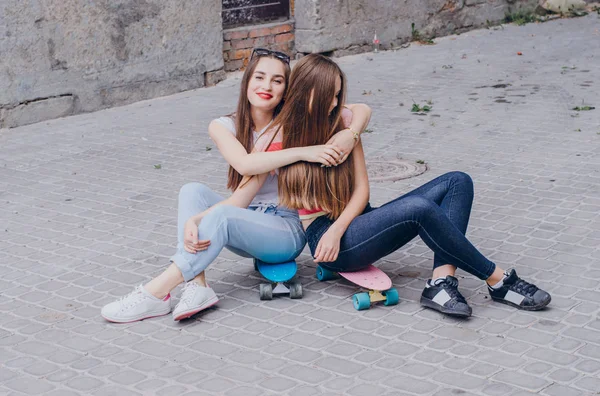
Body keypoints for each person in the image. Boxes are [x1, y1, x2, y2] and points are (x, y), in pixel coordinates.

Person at [101, 48, 371, 322]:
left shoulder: (293, 122)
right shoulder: (225, 126)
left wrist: (351, 134)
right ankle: (197, 284)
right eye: (259, 77)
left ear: (289, 90)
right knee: (191, 190)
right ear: (246, 82)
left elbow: (359, 109)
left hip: (284, 228)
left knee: (221, 215)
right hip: (246, 217)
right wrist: (195, 219)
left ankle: (155, 292)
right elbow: (245, 165)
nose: (266, 86)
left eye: (277, 81)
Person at [275, 54, 551, 317]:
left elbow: (362, 191)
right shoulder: (282, 135)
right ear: (306, 92)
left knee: (458, 181)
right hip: (327, 240)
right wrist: (333, 233)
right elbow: (246, 162)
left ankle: (441, 284)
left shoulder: (343, 127)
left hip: (358, 221)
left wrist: (351, 134)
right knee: (418, 208)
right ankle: (499, 281)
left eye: (338, 95)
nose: (335, 103)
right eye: (328, 96)